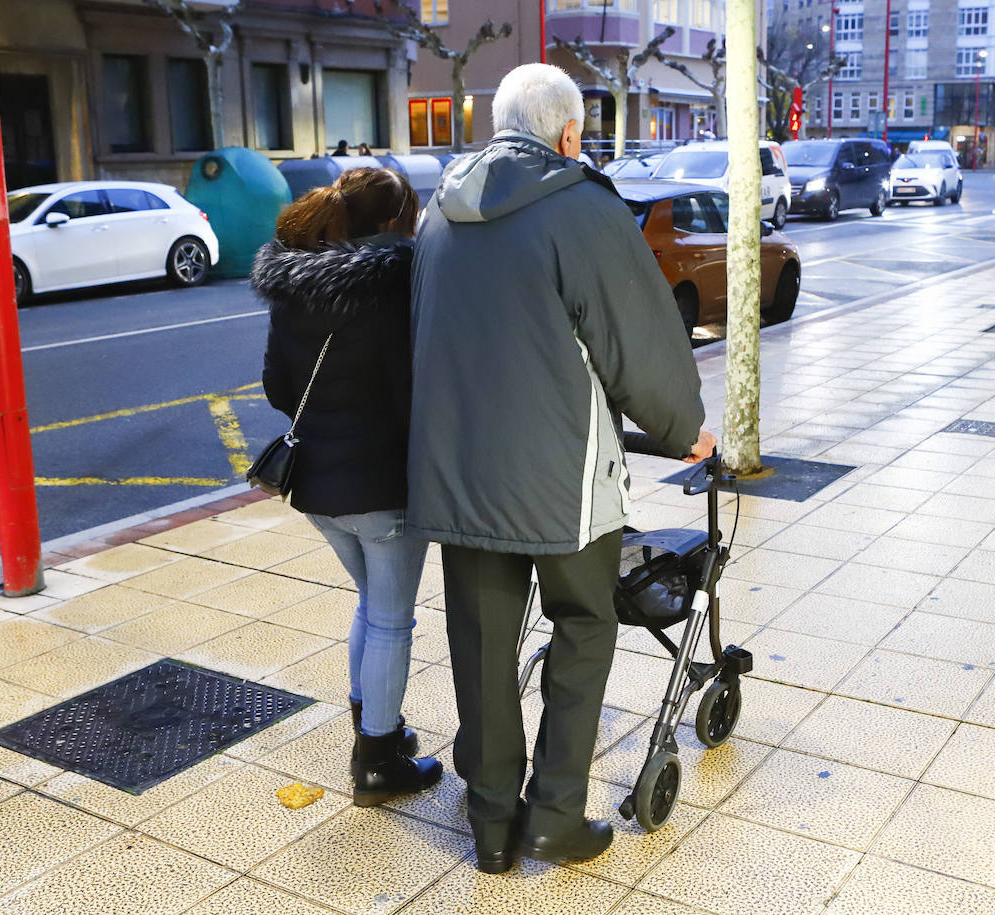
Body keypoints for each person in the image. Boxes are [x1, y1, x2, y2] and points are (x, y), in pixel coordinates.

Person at [408, 63, 713, 874]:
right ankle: (553, 815)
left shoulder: (439, 210)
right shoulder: (581, 207)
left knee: (480, 635)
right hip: (559, 473)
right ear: (569, 133)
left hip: (456, 469)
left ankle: (490, 819)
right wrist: (684, 428)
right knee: (584, 619)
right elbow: (637, 340)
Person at [253, 169, 441, 807]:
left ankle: (373, 727)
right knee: (391, 617)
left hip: (316, 485)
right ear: (392, 222)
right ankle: (378, 760)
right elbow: (412, 397)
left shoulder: (296, 285)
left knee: (370, 603)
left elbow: (278, 385)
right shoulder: (393, 289)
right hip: (383, 485)